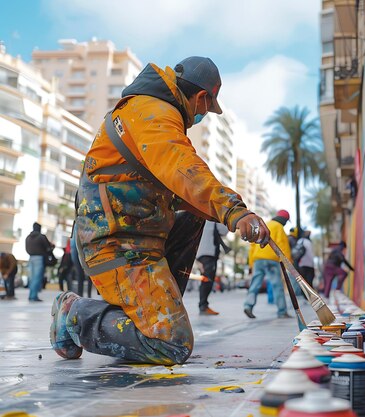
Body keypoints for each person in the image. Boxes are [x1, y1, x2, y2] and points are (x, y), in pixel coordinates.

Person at [49, 56, 270, 365]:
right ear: (202, 97)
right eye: (207, 107)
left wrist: (228, 216)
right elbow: (184, 169)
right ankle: (77, 315)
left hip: (136, 240)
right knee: (171, 343)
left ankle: (156, 308)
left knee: (197, 214)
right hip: (114, 245)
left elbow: (184, 192)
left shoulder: (156, 115)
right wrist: (234, 210)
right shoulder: (153, 115)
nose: (203, 115)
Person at [244, 210, 292, 319]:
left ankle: (248, 305)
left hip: (258, 259)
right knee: (277, 285)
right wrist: (288, 263)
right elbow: (283, 245)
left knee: (255, 284)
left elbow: (252, 245)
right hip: (271, 259)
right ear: (284, 220)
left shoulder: (264, 224)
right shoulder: (279, 227)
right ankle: (282, 311)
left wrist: (251, 263)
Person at [196, 221, 229, 315]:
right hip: (208, 254)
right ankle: (203, 306)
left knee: (206, 280)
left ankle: (203, 305)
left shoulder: (202, 219)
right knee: (207, 280)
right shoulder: (213, 220)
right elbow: (225, 230)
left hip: (200, 254)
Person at [25, 222, 53, 302]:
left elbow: (26, 249)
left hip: (30, 258)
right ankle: (33, 296)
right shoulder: (41, 237)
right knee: (36, 278)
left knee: (32, 278)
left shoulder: (28, 237)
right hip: (39, 258)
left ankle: (31, 295)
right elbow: (48, 248)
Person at [70, 233, 92, 298]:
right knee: (85, 273)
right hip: (79, 249)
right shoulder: (75, 226)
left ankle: (85, 295)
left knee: (86, 273)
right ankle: (83, 295)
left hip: (82, 248)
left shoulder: (76, 226)